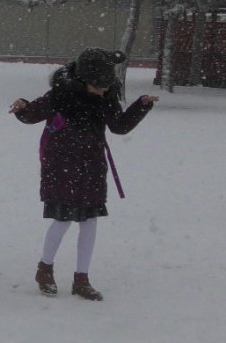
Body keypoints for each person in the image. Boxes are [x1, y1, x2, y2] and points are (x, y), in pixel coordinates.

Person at [9, 47, 158, 301]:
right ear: (83, 79)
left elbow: (119, 126)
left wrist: (140, 107)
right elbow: (33, 113)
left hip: (92, 167)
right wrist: (22, 108)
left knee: (90, 221)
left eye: (106, 86)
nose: (103, 91)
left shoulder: (105, 97)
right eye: (98, 86)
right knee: (63, 219)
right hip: (61, 167)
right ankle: (44, 269)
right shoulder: (61, 95)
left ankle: (82, 278)